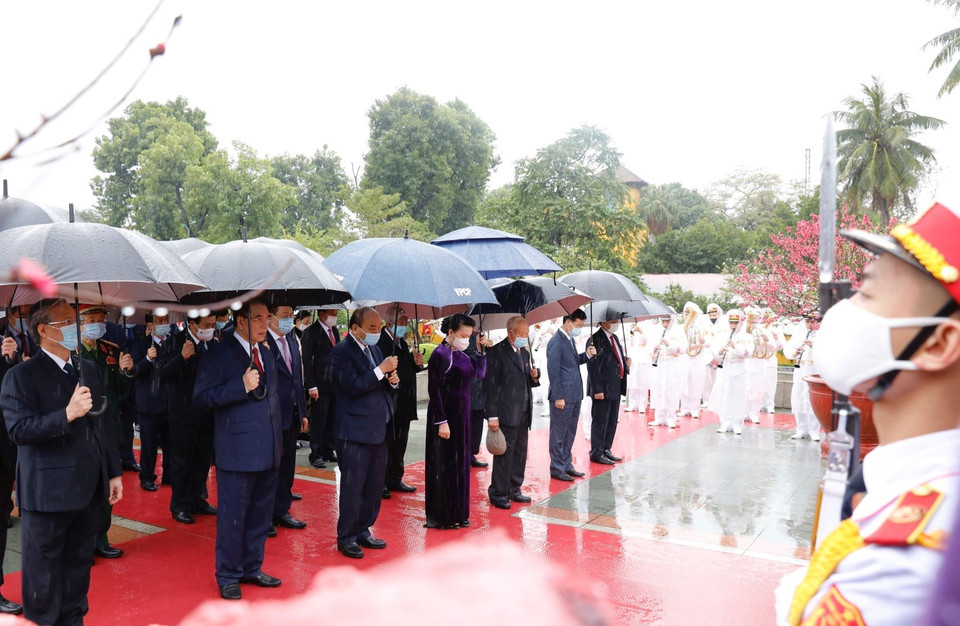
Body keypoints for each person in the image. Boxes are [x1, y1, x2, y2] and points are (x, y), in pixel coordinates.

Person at [775, 201, 960, 625]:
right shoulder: (902, 481)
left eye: (868, 293)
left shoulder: (908, 559)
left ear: (937, 344)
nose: (843, 312)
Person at [0, 298, 123, 624]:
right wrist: (66, 415)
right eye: (67, 321)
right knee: (44, 578)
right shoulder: (21, 376)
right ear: (44, 329)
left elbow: (103, 424)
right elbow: (20, 430)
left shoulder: (89, 370)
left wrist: (113, 472)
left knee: (78, 570)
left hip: (89, 489)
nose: (76, 327)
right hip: (48, 494)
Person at [194, 300, 284, 600]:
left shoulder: (266, 352)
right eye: (258, 318)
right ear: (240, 320)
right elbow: (202, 398)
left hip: (269, 447)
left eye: (266, 318)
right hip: (237, 450)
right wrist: (239, 386)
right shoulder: (218, 353)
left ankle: (251, 567)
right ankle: (228, 573)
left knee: (260, 515)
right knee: (233, 517)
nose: (264, 323)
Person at [329, 307, 398, 558]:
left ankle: (363, 529)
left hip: (378, 427)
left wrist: (392, 380)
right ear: (355, 328)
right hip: (353, 431)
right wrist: (380, 371)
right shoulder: (341, 351)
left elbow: (380, 385)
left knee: (374, 485)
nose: (376, 332)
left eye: (379, 327)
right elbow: (351, 386)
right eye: (371, 328)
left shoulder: (376, 350)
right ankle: (346, 536)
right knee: (353, 486)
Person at [78, 304, 132, 560]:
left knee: (108, 484)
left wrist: (124, 371)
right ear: (80, 323)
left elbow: (121, 391)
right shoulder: (71, 352)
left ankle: (102, 538)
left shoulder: (110, 350)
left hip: (109, 425)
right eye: (91, 319)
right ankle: (84, 542)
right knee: (85, 487)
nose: (97, 324)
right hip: (83, 429)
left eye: (101, 320)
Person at [425, 314, 489, 528]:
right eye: (463, 335)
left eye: (470, 336)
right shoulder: (440, 354)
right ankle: (443, 515)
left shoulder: (462, 355)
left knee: (461, 465)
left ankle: (459, 512)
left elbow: (479, 373)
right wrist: (442, 421)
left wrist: (480, 351)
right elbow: (434, 390)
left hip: (463, 416)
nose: (466, 340)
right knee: (445, 465)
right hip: (446, 417)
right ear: (451, 332)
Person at [158, 312, 218, 524]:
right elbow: (162, 373)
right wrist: (181, 357)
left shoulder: (212, 343)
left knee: (202, 460)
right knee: (181, 461)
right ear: (192, 324)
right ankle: (180, 504)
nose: (210, 328)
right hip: (182, 413)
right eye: (206, 324)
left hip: (207, 412)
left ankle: (198, 499)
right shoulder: (175, 341)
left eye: (213, 324)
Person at [484, 316, 540, 509]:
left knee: (520, 452)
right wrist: (492, 415)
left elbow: (527, 381)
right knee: (504, 453)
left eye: (527, 334)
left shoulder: (524, 353)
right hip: (506, 412)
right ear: (510, 333)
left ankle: (514, 488)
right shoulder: (497, 352)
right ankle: (498, 492)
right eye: (521, 334)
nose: (525, 337)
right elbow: (490, 386)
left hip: (524, 411)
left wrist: (534, 377)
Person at [265, 304, 309, 531]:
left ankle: (282, 509)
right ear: (270, 317)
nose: (288, 321)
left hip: (291, 414)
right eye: (283, 317)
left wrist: (302, 411)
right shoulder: (262, 343)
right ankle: (266, 514)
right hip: (271, 415)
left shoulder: (292, 340)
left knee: (287, 466)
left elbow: (297, 380)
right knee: (270, 467)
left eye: (290, 317)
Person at [377, 306, 425, 498]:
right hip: (389, 402)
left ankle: (395, 478)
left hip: (404, 402)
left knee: (400, 443)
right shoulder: (381, 343)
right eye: (402, 323)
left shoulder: (402, 343)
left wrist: (417, 363)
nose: (404, 326)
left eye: (406, 322)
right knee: (386, 444)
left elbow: (407, 370)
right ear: (390, 323)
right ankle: (380, 481)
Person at [546, 309, 596, 481]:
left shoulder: (569, 340)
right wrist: (558, 396)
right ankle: (557, 467)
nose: (579, 329)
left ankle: (566, 464)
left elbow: (572, 363)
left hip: (574, 394)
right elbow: (553, 371)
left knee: (570, 432)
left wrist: (587, 355)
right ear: (568, 322)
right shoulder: (556, 341)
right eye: (578, 325)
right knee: (559, 434)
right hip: (563, 397)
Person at [129, 312, 172, 491]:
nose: (163, 324)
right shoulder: (141, 345)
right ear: (150, 325)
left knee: (170, 443)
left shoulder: (173, 343)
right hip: (149, 403)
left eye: (165, 320)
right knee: (149, 444)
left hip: (169, 402)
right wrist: (147, 358)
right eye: (159, 321)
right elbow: (134, 372)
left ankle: (169, 475)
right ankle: (147, 476)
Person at [587, 318, 631, 463]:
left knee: (611, 420)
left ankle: (606, 448)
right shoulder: (595, 339)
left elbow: (616, 360)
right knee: (600, 420)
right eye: (613, 320)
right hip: (602, 388)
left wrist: (626, 364)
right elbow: (593, 366)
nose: (616, 323)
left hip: (615, 386)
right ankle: (596, 452)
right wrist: (597, 389)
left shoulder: (615, 337)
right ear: (603, 321)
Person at [301, 306, 341, 468]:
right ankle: (315, 453)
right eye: (333, 313)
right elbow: (307, 360)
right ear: (323, 314)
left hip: (334, 383)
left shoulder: (335, 331)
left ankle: (328, 449)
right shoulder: (311, 332)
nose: (335, 316)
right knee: (319, 420)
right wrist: (311, 385)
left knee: (332, 418)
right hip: (319, 384)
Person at [709, 310, 752, 435]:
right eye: (731, 323)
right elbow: (714, 352)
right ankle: (725, 422)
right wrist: (720, 352)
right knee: (725, 395)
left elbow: (748, 353)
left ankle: (737, 423)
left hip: (739, 369)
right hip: (725, 368)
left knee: (738, 396)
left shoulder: (747, 337)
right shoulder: (723, 335)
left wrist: (735, 347)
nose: (733, 325)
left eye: (735, 323)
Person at [782, 315, 820, 441]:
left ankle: (814, 430)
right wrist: (795, 352)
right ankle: (801, 429)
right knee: (798, 398)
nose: (810, 324)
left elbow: (828, 352)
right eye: (807, 321)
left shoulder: (822, 334)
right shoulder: (798, 334)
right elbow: (787, 350)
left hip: (814, 369)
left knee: (812, 400)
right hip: (800, 370)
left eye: (812, 322)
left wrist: (813, 346)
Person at [648, 314, 686, 428]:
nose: (665, 323)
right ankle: (659, 417)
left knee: (671, 391)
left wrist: (669, 344)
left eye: (667, 321)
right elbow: (649, 348)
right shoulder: (656, 331)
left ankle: (670, 417)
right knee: (658, 390)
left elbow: (683, 349)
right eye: (663, 321)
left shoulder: (679, 332)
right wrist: (653, 350)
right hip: (659, 364)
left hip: (672, 364)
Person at [679, 303, 712, 419]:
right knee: (684, 384)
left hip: (698, 359)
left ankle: (694, 409)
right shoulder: (681, 327)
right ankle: (684, 408)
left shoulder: (702, 327)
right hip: (685, 359)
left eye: (690, 313)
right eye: (686, 313)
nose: (687, 315)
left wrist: (704, 341)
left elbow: (709, 342)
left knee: (696, 384)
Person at [623, 323, 651, 413]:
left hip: (643, 358)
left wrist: (641, 331)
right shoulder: (630, 326)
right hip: (633, 358)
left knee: (642, 383)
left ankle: (642, 404)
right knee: (632, 383)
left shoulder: (647, 325)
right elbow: (626, 342)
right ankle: (632, 404)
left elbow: (649, 341)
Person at [702, 303, 724, 404]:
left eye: (714, 313)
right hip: (707, 356)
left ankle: (716, 401)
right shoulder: (705, 325)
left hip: (719, 356)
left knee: (718, 380)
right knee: (707, 380)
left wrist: (718, 356)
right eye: (710, 313)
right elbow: (704, 341)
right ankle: (706, 400)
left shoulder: (723, 325)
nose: (712, 315)